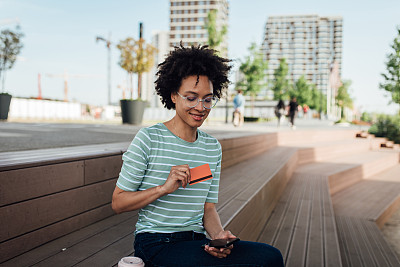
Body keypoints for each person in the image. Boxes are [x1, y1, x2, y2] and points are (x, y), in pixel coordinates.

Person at [112, 44, 284, 267]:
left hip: (198, 242)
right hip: (156, 242)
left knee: (271, 257)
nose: (200, 107)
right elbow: (118, 202)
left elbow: (208, 208)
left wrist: (219, 236)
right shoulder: (149, 139)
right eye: (191, 98)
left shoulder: (212, 148)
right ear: (174, 95)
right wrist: (163, 189)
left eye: (207, 99)